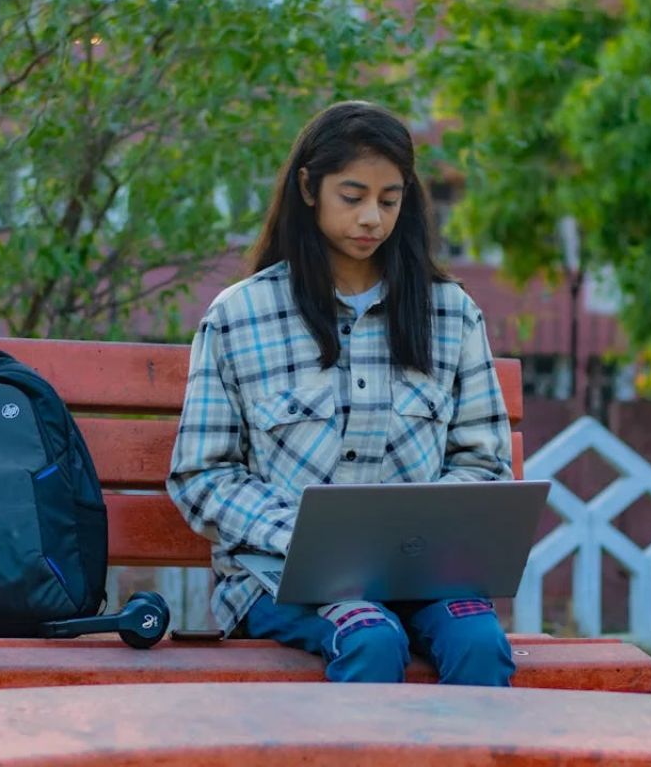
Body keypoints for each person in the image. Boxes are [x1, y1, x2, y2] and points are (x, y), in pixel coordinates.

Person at [167, 100, 516, 685]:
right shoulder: (241, 315)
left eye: (389, 199)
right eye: (352, 197)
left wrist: (413, 534)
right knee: (370, 638)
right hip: (276, 576)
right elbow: (201, 476)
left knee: (479, 642)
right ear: (309, 188)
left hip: (419, 575)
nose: (372, 219)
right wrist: (303, 538)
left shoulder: (450, 314)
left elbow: (483, 461)